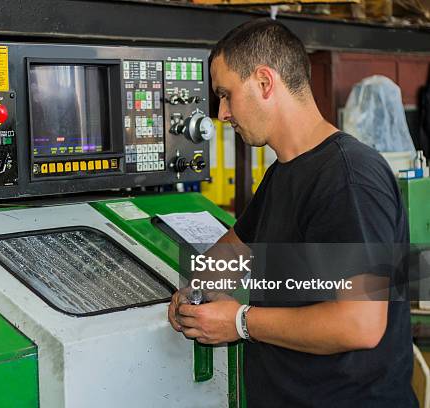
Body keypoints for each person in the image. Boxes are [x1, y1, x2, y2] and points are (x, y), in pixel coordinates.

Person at [167, 18, 417, 407]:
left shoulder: (349, 179)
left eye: (226, 94)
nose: (221, 114)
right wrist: (196, 292)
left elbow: (360, 324)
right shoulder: (285, 173)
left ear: (265, 83)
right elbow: (234, 251)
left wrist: (238, 321)